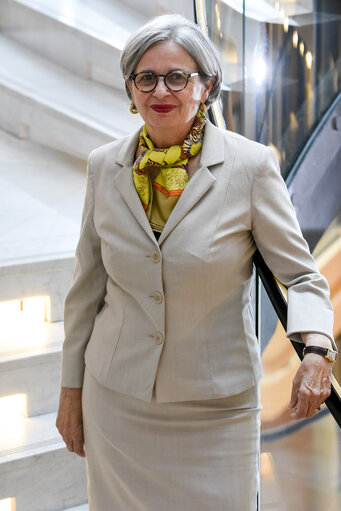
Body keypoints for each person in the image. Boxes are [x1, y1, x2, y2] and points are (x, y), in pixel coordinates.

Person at [56, 14, 337, 511]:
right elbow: (86, 289)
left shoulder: (250, 167)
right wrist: (70, 391)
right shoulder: (105, 166)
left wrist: (317, 349)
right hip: (118, 402)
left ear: (206, 86)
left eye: (178, 76)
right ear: (130, 87)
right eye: (147, 77)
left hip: (217, 411)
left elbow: (303, 277)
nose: (161, 90)